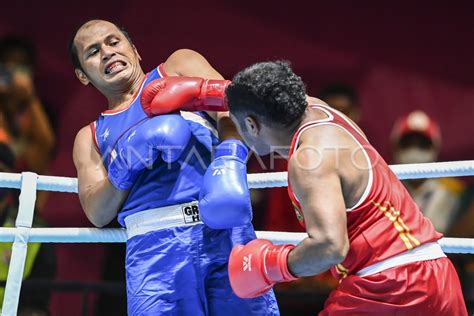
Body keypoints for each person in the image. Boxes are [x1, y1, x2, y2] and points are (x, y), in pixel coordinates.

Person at [221, 61, 467, 315]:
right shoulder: (321, 111)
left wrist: (270, 266)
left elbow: (330, 247)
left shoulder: (310, 160)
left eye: (236, 125)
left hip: (391, 285)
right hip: (434, 274)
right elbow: (270, 85)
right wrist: (207, 92)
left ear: (251, 125)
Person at [70, 19, 278, 315]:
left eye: (114, 42)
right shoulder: (89, 137)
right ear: (82, 75)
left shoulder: (179, 66)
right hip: (154, 253)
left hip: (222, 229)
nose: (107, 52)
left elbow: (237, 108)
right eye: (93, 51)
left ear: (135, 50)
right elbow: (97, 212)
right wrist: (127, 162)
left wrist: (228, 162)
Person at [391, 110, 465, 234]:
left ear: (435, 149)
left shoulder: (454, 192)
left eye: (422, 145)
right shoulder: (385, 187)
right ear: (396, 148)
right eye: (408, 144)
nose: (414, 152)